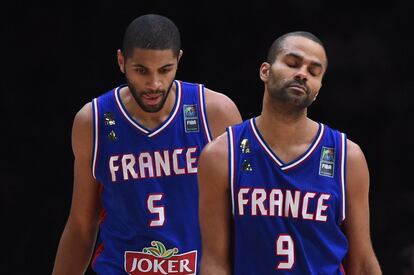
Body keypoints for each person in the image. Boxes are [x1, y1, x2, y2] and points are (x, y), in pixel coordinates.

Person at [52, 14, 242, 275]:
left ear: (178, 61)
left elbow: (242, 217)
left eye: (165, 70)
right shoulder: (93, 121)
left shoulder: (216, 113)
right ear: (122, 61)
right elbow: (82, 225)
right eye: (141, 70)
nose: (154, 84)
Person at [198, 31, 382, 274]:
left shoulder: (347, 157)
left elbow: (362, 263)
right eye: (292, 63)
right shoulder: (221, 154)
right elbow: (215, 262)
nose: (302, 74)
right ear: (265, 71)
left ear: (318, 88)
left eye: (314, 71)